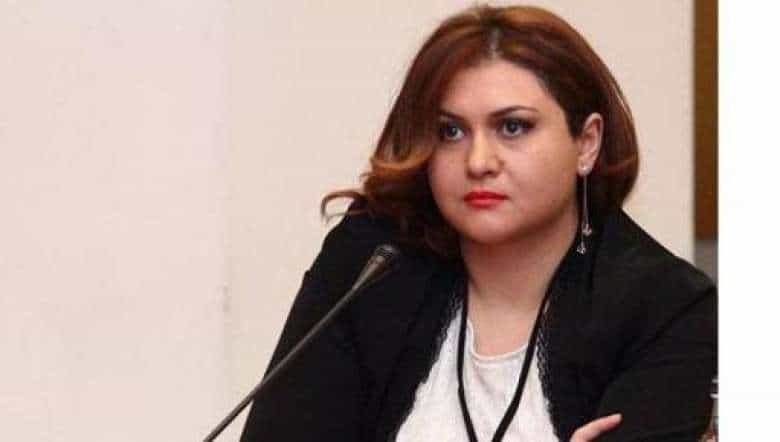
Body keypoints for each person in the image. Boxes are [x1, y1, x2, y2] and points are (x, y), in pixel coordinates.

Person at [240, 4, 716, 441]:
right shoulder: (372, 264)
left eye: (513, 127)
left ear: (587, 143)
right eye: (450, 132)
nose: (478, 161)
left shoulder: (667, 308)